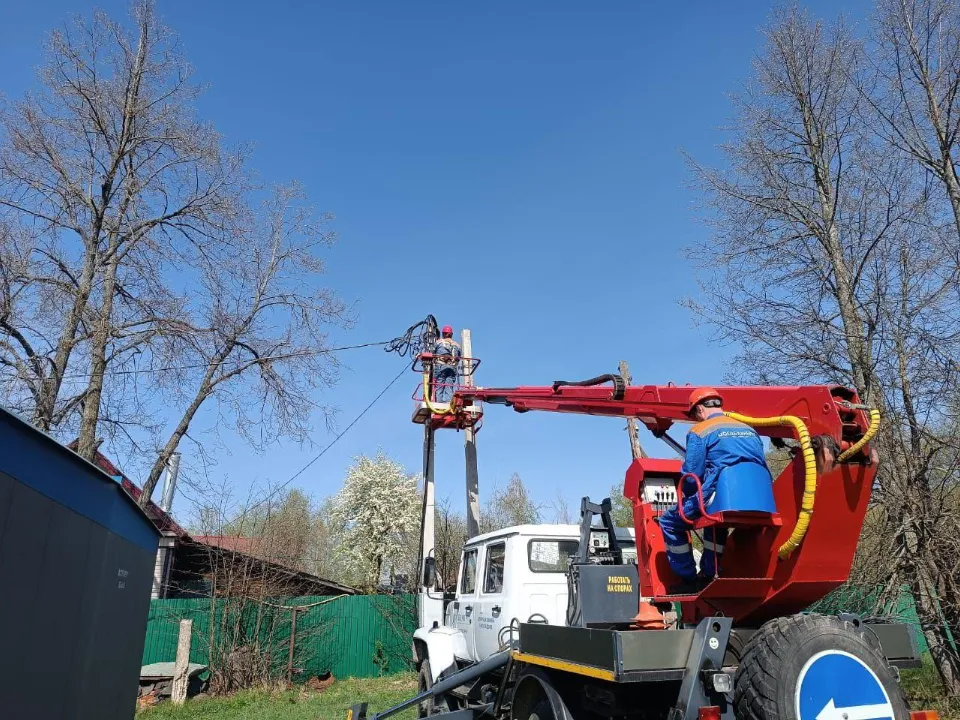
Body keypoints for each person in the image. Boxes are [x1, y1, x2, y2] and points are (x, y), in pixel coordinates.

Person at [658, 387, 770, 594]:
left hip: (722, 494)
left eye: (694, 416)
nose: (695, 420)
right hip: (761, 499)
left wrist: (688, 495)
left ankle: (688, 578)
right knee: (715, 522)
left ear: (699, 409)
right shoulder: (750, 430)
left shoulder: (700, 431)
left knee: (669, 521)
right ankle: (709, 573)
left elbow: (692, 472)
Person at [432, 325, 461, 403]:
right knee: (449, 384)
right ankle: (449, 402)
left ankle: (439, 402)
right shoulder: (457, 345)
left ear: (443, 334)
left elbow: (432, 353)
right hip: (452, 367)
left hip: (440, 366)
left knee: (439, 384)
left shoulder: (438, 342)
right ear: (451, 334)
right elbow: (458, 357)